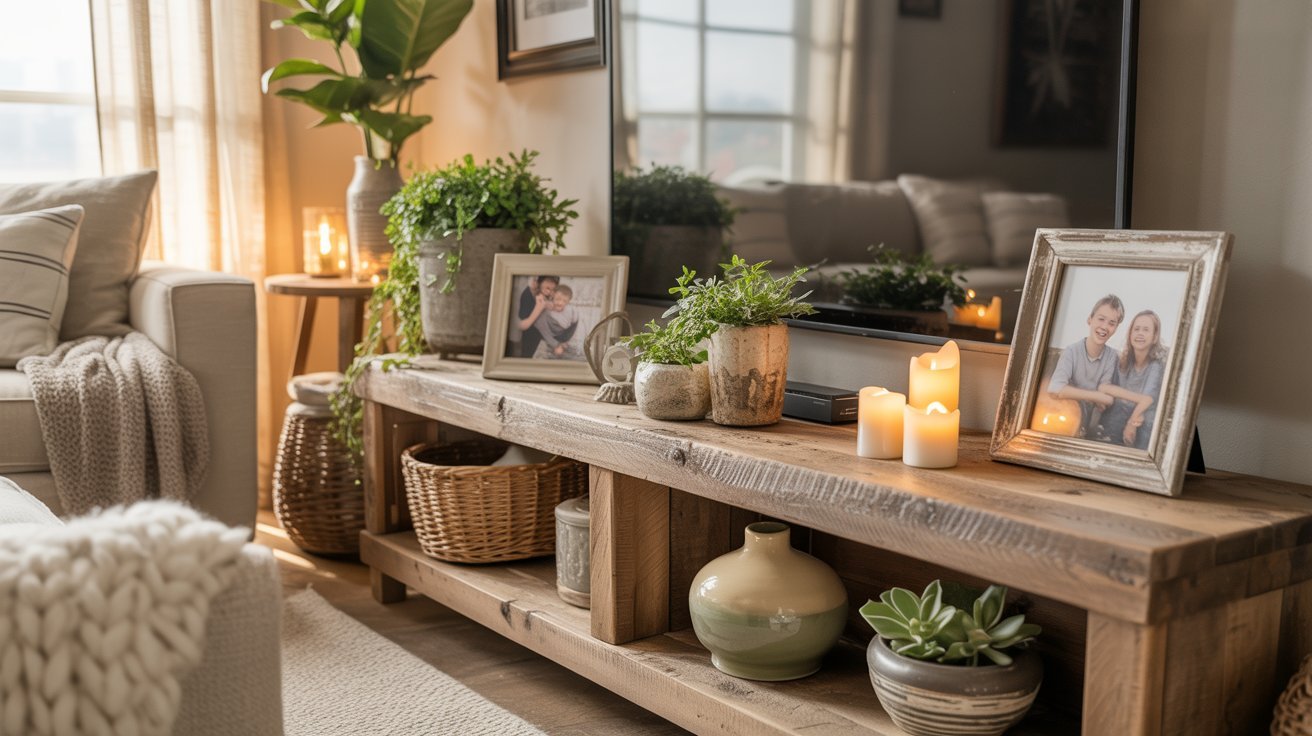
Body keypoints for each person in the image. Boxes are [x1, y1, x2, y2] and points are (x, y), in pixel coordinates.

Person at [1047, 294, 1124, 438]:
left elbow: (1105, 395)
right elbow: (1054, 388)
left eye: (1112, 323)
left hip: (1093, 419)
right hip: (1068, 413)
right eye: (1101, 319)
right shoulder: (1071, 351)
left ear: (1116, 328)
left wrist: (1101, 400)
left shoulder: (1112, 357)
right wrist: (1095, 396)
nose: (1104, 327)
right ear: (1090, 319)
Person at [1096, 310, 1167, 450]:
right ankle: (1108, 444)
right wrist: (1139, 399)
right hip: (1121, 413)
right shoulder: (1121, 361)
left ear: (1154, 337)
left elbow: (1149, 399)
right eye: (1136, 329)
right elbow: (1104, 387)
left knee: (1146, 419)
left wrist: (1132, 423)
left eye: (1146, 330)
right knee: (1117, 409)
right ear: (1130, 334)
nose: (1140, 333)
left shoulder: (1155, 366)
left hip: (1142, 417)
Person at [531, 284, 582, 360]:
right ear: (553, 297)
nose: (560, 303)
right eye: (557, 299)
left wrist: (567, 342)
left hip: (565, 339)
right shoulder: (546, 312)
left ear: (568, 301)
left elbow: (574, 329)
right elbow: (545, 331)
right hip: (550, 339)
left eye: (564, 301)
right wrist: (556, 345)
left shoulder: (572, 311)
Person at [515, 275, 560, 358]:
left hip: (535, 339)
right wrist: (539, 308)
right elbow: (523, 325)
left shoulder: (540, 295)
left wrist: (548, 305)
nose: (550, 292)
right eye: (547, 288)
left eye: (553, 290)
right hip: (527, 340)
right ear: (536, 283)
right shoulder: (527, 294)